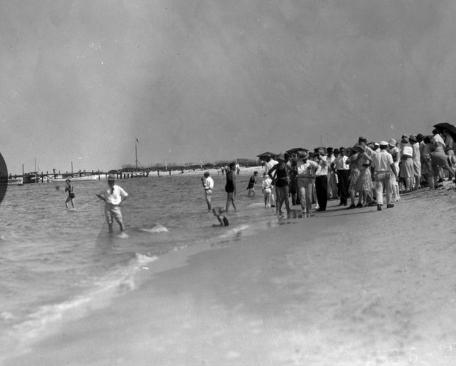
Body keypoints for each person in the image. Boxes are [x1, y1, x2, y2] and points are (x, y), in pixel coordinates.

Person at [372, 141, 397, 211]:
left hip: (378, 173)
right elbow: (392, 165)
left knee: (379, 190)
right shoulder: (388, 155)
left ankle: (379, 203)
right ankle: (389, 203)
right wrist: (396, 174)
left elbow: (372, 166)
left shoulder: (376, 155)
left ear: (380, 147)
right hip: (387, 173)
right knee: (389, 189)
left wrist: (372, 174)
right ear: (386, 147)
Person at [296, 151, 319, 217]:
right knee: (302, 195)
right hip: (301, 181)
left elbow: (318, 166)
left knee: (309, 196)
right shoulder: (298, 163)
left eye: (306, 158)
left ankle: (309, 208)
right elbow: (299, 173)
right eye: (303, 158)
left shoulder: (310, 162)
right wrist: (306, 171)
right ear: (301, 158)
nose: (305, 159)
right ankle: (304, 209)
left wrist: (314, 172)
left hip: (309, 181)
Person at [268, 153, 290, 218]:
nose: (279, 161)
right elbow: (269, 172)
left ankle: (287, 210)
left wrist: (289, 177)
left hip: (284, 182)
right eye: (279, 160)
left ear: (282, 160)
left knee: (286, 197)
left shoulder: (285, 165)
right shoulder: (277, 166)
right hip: (279, 182)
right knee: (278, 198)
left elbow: (292, 171)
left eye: (280, 159)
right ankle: (278, 211)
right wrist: (273, 179)